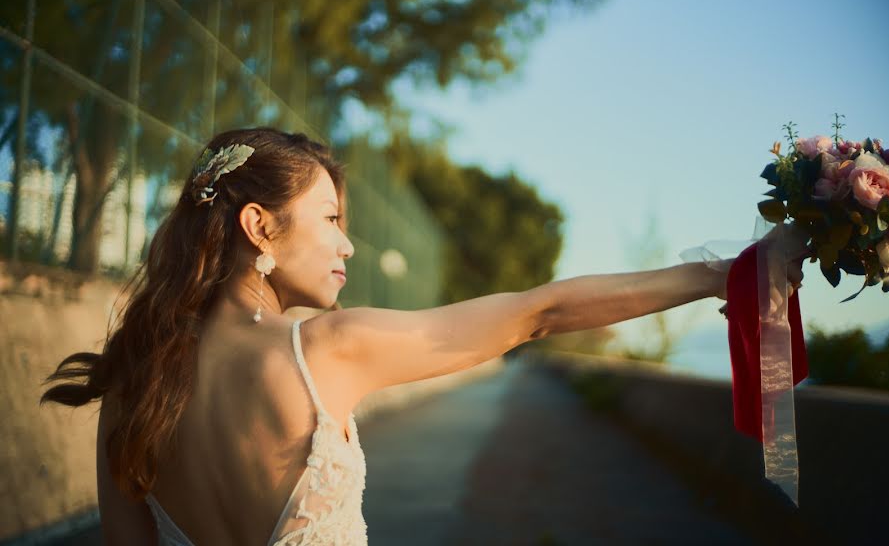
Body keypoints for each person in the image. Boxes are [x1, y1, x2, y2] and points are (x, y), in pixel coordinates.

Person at [40, 127, 802, 545]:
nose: (348, 246)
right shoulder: (327, 351)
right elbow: (540, 311)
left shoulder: (128, 385)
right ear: (258, 226)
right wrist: (721, 276)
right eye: (332, 220)